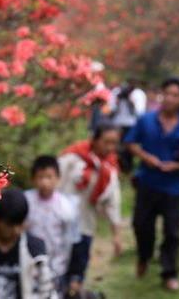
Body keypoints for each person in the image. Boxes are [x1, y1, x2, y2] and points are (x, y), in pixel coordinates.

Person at [125, 77, 179, 291]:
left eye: (175, 95)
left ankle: (169, 272)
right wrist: (146, 157)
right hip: (147, 183)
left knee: (172, 232)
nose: (169, 99)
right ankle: (144, 256)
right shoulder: (146, 120)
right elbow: (131, 143)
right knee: (141, 226)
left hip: (173, 188)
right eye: (166, 93)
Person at [58, 123, 122, 297]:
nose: (110, 148)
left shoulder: (109, 169)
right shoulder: (72, 159)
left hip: (85, 227)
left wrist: (116, 235)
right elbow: (53, 182)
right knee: (57, 270)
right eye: (106, 142)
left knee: (77, 271)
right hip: (59, 225)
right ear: (94, 140)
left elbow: (113, 204)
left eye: (114, 143)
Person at [25, 156, 79, 294]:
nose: (44, 182)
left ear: (58, 178)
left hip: (57, 268)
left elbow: (74, 240)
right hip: (30, 266)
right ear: (33, 179)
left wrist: (75, 274)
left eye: (49, 177)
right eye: (40, 177)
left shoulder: (66, 206)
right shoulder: (26, 202)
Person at [109, 78, 147, 172]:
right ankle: (115, 168)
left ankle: (127, 169)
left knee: (129, 148)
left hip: (132, 125)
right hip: (117, 124)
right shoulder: (116, 92)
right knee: (115, 147)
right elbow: (111, 110)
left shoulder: (138, 94)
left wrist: (130, 101)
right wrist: (118, 101)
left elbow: (140, 113)